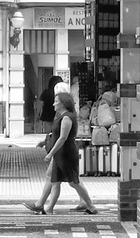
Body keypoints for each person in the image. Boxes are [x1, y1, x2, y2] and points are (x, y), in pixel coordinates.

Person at [25, 87, 97, 215]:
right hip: (61, 154)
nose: (53, 103)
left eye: (56, 101)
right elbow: (55, 134)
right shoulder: (61, 117)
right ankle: (48, 207)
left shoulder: (67, 118)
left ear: (63, 103)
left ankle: (90, 205)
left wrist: (50, 153)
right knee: (54, 180)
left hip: (66, 154)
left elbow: (63, 138)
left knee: (74, 182)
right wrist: (45, 143)